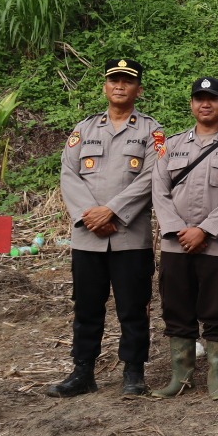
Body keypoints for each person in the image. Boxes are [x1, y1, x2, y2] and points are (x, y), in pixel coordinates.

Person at [50, 58, 163, 398]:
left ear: (138, 90)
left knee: (133, 307)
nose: (119, 86)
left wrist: (112, 210)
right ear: (105, 86)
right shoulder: (83, 129)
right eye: (114, 79)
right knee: (86, 307)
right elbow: (68, 174)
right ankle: (83, 370)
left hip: (129, 236)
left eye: (127, 81)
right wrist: (89, 214)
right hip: (88, 237)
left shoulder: (151, 131)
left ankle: (133, 372)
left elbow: (152, 177)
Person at [151, 77, 218, 399]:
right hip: (175, 243)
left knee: (217, 309)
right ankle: (180, 376)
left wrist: (205, 230)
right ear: (191, 103)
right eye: (199, 98)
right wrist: (176, 228)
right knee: (176, 308)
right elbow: (159, 189)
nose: (205, 104)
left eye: (212, 98)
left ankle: (217, 377)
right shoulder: (170, 145)